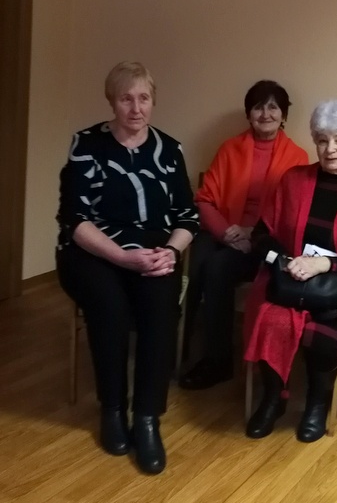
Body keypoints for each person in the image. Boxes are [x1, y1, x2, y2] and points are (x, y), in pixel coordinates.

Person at [56, 62, 199, 475]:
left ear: (153, 101)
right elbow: (74, 219)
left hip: (153, 251)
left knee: (161, 305)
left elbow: (187, 217)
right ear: (111, 101)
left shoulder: (169, 150)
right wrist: (120, 256)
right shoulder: (87, 144)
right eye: (126, 99)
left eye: (143, 98)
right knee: (110, 307)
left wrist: (170, 252)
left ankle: (148, 418)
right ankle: (113, 409)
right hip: (91, 251)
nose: (136, 108)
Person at [243, 99, 337, 443]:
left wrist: (323, 264)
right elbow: (261, 235)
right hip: (288, 278)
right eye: (322, 140)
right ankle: (274, 398)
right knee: (272, 319)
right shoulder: (292, 180)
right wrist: (285, 261)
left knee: (321, 333)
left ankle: (317, 405)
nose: (330, 149)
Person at [179, 81, 308, 390]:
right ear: (249, 113)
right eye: (258, 107)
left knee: (217, 268)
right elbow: (204, 200)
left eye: (273, 107)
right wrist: (227, 233)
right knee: (194, 265)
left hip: (264, 240)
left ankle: (218, 361)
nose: (265, 113)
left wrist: (253, 233)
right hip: (223, 231)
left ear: (284, 115)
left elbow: (292, 214)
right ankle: (177, 345)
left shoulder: (297, 157)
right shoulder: (230, 148)